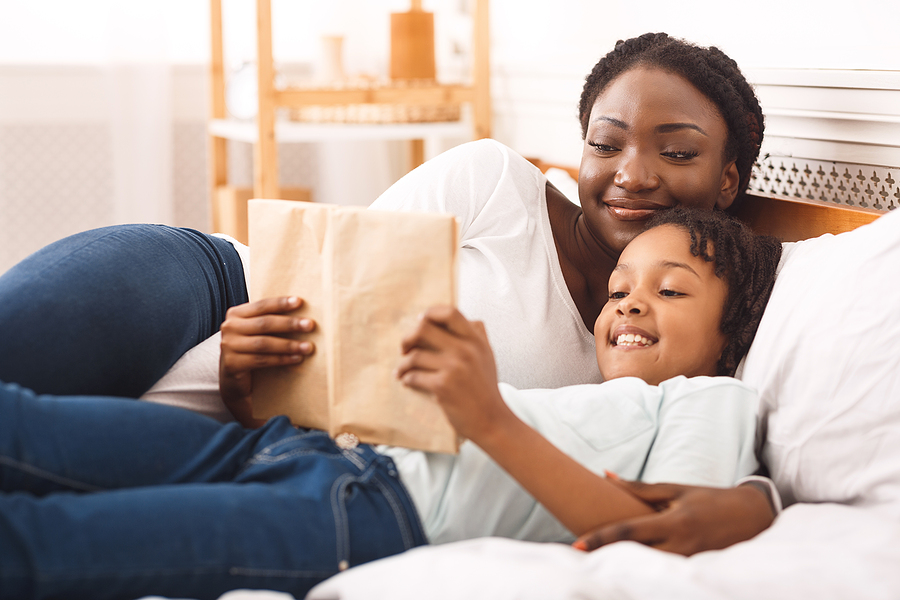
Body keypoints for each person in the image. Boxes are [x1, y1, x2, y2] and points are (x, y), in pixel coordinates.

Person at [0, 32, 774, 552]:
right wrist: (247, 363)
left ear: (728, 180)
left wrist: (762, 499)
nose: (633, 174)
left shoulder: (655, 343)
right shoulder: (495, 182)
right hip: (213, 289)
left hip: (266, 437)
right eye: (606, 144)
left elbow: (696, 466)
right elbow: (330, 284)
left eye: (675, 152)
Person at [0, 208, 781, 600]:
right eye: (619, 290)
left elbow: (658, 541)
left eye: (669, 289)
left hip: (360, 518)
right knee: (21, 424)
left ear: (735, 327)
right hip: (299, 451)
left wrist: (487, 418)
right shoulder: (576, 393)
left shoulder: (712, 398)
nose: (629, 306)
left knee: (48, 540)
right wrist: (251, 392)